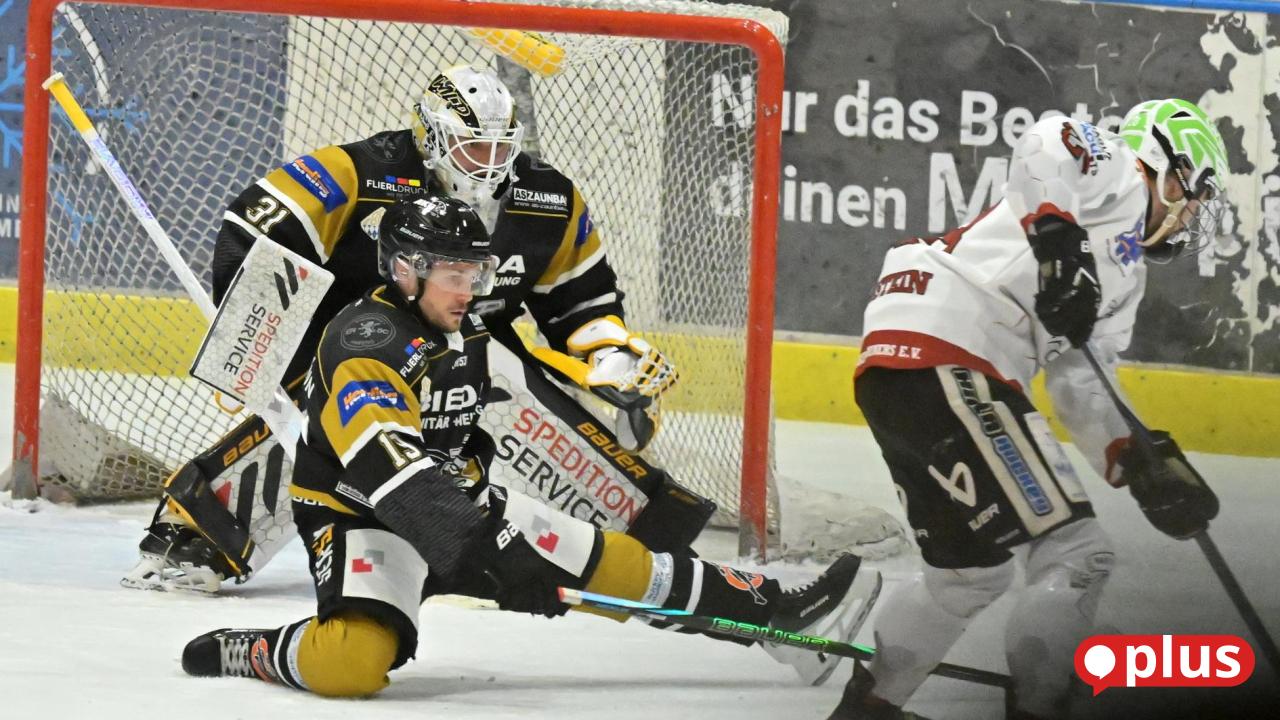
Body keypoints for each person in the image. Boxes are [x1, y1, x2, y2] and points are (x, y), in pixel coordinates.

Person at [180, 196, 883, 696]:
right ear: (405, 270)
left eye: (475, 274)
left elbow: (490, 419)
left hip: (459, 503)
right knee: (352, 665)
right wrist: (490, 554)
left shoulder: (464, 327)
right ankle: (261, 649)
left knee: (618, 565)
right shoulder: (367, 343)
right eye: (454, 275)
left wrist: (605, 402)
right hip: (365, 518)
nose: (469, 289)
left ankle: (778, 615)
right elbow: (395, 479)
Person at [124, 63, 711, 596]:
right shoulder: (361, 171)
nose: (487, 163)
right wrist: (276, 352)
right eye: (471, 145)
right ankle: (201, 527)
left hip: (473, 353)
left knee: (502, 385)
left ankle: (642, 540)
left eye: (499, 147)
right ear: (429, 136)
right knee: (338, 416)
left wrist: (608, 353)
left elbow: (582, 299)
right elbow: (252, 229)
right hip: (359, 349)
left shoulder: (548, 199)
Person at [825, 99, 1226, 720]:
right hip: (954, 354)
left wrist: (1138, 457)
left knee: (968, 575)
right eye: (1194, 193)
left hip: (907, 368)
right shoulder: (1120, 173)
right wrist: (1058, 239)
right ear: (1168, 169)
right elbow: (1048, 138)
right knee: (1077, 555)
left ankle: (867, 708)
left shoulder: (1125, 279)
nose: (1192, 212)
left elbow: (1079, 378)